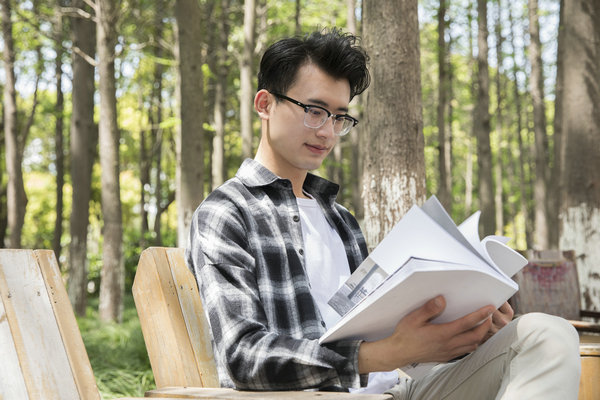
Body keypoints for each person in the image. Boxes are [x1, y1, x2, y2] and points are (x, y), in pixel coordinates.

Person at [186, 28, 581, 399]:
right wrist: (374, 355)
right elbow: (242, 355)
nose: (326, 131)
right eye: (314, 110)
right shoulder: (228, 213)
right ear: (265, 104)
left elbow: (400, 347)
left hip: (399, 390)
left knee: (546, 335)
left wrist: (468, 331)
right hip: (315, 396)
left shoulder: (340, 221)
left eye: (340, 116)